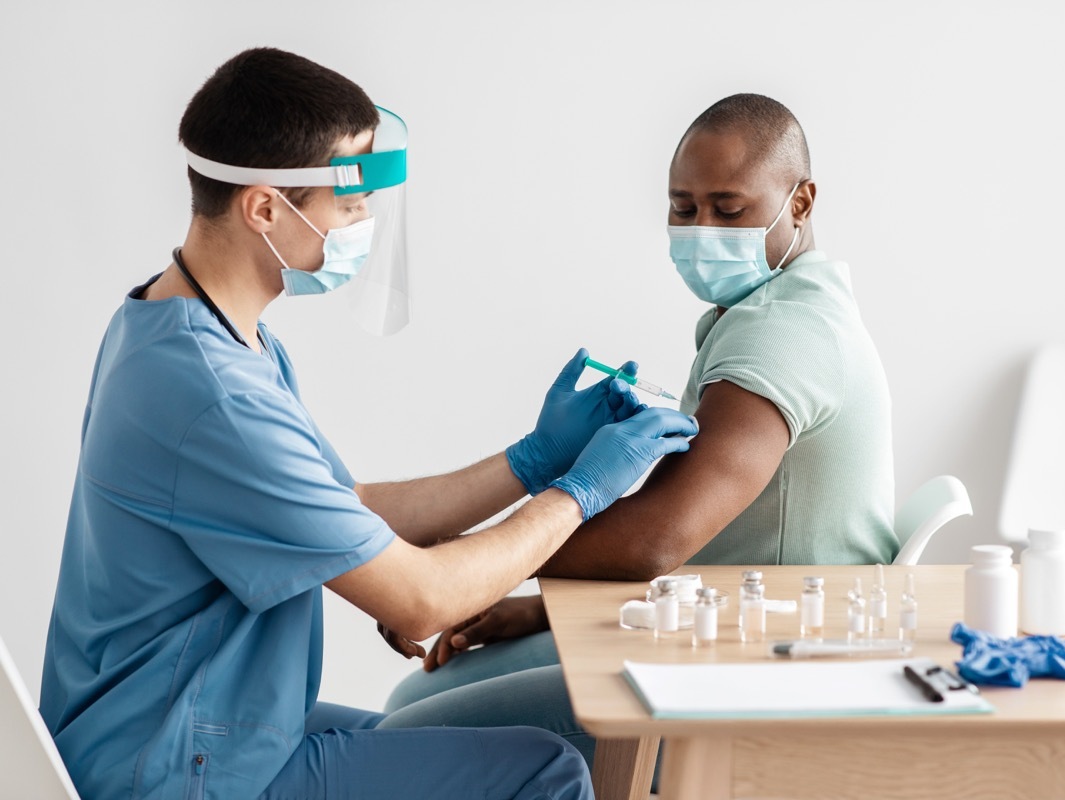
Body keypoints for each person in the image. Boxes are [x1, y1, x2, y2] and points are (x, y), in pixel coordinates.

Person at [38, 47, 698, 800]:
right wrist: (581, 491)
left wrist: (532, 458)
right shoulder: (216, 395)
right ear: (264, 209)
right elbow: (422, 600)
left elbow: (345, 508)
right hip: (173, 768)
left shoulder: (190, 327)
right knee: (545, 773)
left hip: (178, 721)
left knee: (466, 747)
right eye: (349, 201)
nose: (365, 221)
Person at [382, 93, 897, 769]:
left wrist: (470, 568)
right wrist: (536, 609)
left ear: (799, 203)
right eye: (683, 209)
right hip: (718, 623)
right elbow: (714, 545)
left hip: (760, 668)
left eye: (728, 208)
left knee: (403, 744)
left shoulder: (782, 333)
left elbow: (659, 538)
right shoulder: (778, 308)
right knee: (403, 708)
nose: (700, 229)